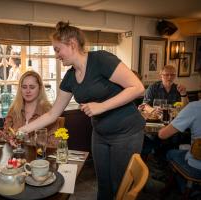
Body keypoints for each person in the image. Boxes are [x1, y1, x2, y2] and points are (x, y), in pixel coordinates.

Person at [18, 21, 146, 200]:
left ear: (72, 44)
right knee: (103, 185)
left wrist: (102, 106)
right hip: (100, 134)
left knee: (120, 186)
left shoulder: (101, 59)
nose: (56, 56)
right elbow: (53, 114)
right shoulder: (70, 77)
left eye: (57, 49)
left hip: (127, 132)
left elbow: (137, 87)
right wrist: (23, 129)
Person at [0, 71, 59, 148]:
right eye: (24, 87)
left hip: (39, 158)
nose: (28, 91)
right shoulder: (14, 110)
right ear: (20, 89)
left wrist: (29, 141)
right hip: (17, 158)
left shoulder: (49, 112)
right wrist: (0, 136)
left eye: (32, 87)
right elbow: (9, 137)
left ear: (40, 88)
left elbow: (54, 145)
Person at [158, 99, 201, 192]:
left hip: (197, 166)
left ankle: (185, 188)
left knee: (171, 153)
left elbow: (162, 135)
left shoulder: (195, 107)